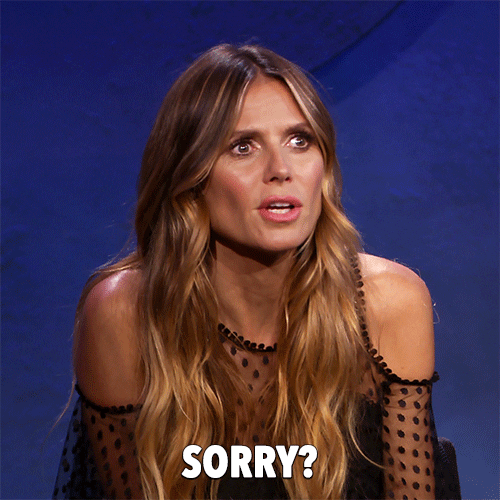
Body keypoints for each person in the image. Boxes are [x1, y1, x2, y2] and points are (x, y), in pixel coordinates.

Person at [53, 44, 452, 500]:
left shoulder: (387, 303)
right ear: (191, 175)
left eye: (300, 141)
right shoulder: (124, 314)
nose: (281, 170)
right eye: (243, 147)